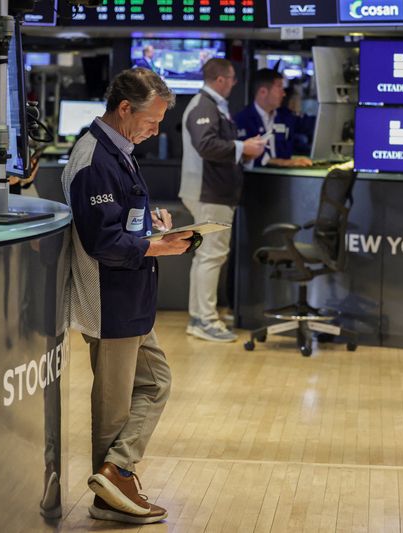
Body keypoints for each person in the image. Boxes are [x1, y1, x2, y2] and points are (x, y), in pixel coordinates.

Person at [60, 67, 192, 525]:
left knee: (155, 382)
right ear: (123, 109)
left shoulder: (121, 149)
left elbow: (120, 221)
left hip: (132, 296)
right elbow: (103, 243)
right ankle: (109, 495)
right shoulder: (94, 158)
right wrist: (157, 246)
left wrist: (149, 223)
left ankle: (115, 473)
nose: (156, 131)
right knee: (114, 409)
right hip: (108, 298)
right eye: (151, 121)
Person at [178, 58, 266, 342]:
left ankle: (200, 315)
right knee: (211, 256)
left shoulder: (212, 105)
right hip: (209, 192)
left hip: (214, 191)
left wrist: (244, 148)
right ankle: (205, 319)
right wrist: (244, 147)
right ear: (220, 80)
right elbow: (206, 145)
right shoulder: (203, 106)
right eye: (231, 78)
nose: (234, 83)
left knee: (207, 256)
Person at [234, 69, 313, 168]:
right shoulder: (242, 120)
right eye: (279, 87)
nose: (284, 94)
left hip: (285, 180)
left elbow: (310, 126)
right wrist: (283, 162)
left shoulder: (286, 116)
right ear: (263, 92)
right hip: (255, 179)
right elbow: (245, 157)